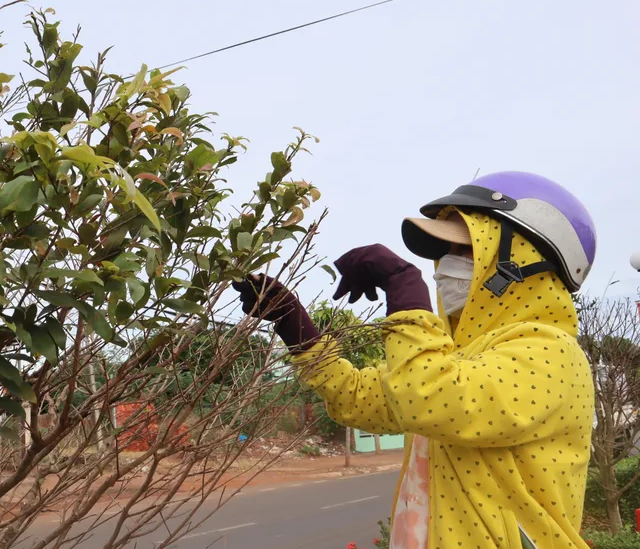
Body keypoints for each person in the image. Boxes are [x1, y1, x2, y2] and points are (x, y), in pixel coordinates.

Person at [234, 171, 596, 549]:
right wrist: (294, 325)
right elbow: (358, 397)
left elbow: (431, 398)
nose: (444, 267)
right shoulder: (458, 357)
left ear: (521, 261)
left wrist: (403, 285)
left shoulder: (551, 352)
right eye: (444, 254)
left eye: (465, 249)